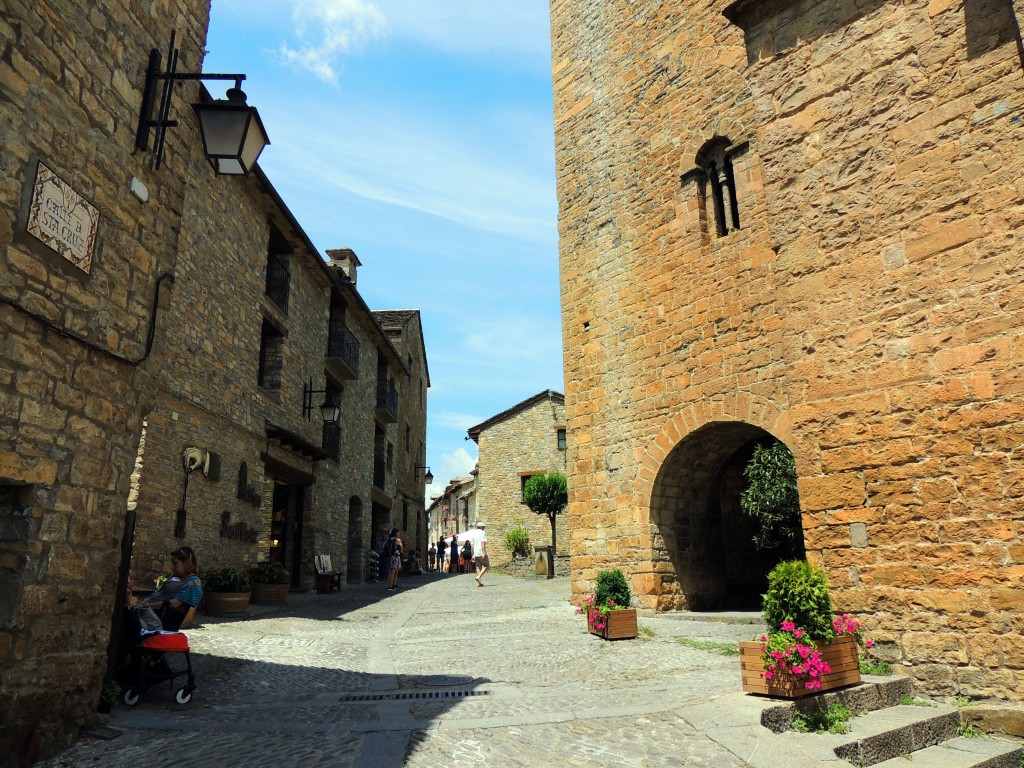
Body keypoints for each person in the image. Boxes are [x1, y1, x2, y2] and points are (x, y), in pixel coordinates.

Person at [142, 546, 203, 630]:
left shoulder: (193, 584)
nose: (171, 567)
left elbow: (174, 604)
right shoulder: (177, 578)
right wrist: (146, 600)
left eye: (175, 563)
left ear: (187, 563)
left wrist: (147, 605)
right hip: (150, 617)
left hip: (158, 623)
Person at [471, 521, 489, 587]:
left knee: (478, 567)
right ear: (482, 527)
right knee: (487, 566)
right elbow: (483, 543)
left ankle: (479, 583)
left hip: (475, 552)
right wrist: (484, 552)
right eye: (483, 527)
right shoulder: (482, 533)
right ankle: (478, 577)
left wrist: (472, 554)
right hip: (480, 551)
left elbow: (472, 545)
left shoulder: (473, 533)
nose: (484, 528)